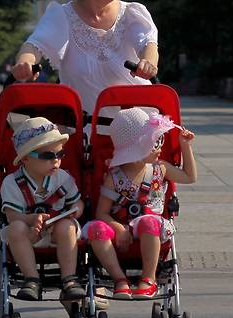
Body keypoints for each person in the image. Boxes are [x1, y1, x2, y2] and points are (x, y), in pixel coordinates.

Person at [11, 0, 159, 115]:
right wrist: (24, 62)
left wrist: (148, 63)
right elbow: (33, 45)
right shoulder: (61, 16)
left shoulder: (132, 13)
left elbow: (148, 45)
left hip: (140, 122)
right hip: (86, 129)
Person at [82, 107, 197, 299]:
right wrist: (118, 228)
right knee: (97, 229)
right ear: (137, 148)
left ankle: (148, 279)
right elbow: (102, 213)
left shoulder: (160, 168)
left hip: (150, 226)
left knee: (148, 221)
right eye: (155, 143)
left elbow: (189, 176)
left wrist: (185, 146)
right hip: (121, 227)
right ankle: (119, 279)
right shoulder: (114, 176)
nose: (160, 147)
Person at [0, 116, 86, 301]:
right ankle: (31, 279)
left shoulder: (63, 178)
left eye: (60, 154)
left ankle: (69, 278)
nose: (55, 160)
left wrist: (75, 211)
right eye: (47, 156)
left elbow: (77, 202)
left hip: (58, 234)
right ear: (25, 159)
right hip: (29, 235)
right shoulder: (12, 183)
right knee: (15, 229)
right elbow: (12, 215)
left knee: (68, 226)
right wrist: (31, 220)